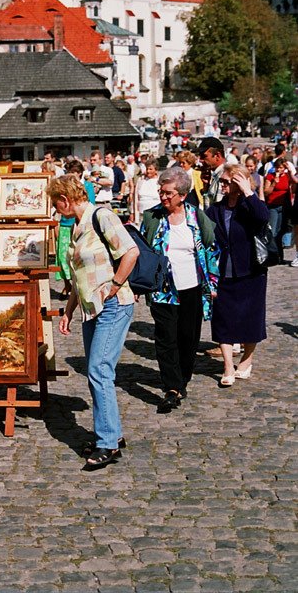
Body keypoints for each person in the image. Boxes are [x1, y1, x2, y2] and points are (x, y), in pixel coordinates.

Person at [48, 174, 139, 468]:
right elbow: (78, 277)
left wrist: (114, 285)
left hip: (112, 305)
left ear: (64, 199)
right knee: (97, 371)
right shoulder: (76, 226)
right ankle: (111, 432)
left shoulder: (102, 216)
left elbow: (131, 252)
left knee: (99, 369)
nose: (54, 208)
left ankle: (108, 443)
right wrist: (69, 310)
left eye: (54, 203)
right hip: (90, 308)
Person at [140, 167, 219, 413]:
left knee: (188, 337)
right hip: (163, 289)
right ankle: (171, 388)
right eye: (161, 192)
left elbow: (211, 249)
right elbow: (143, 250)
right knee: (165, 338)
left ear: (182, 195)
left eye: (168, 193)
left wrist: (213, 284)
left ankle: (183, 378)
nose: (163, 197)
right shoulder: (152, 217)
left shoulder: (197, 217)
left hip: (192, 288)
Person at [206, 165, 270, 386]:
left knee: (250, 317)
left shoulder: (250, 206)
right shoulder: (215, 209)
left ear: (238, 183)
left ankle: (247, 359)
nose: (222, 185)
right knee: (223, 318)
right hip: (222, 272)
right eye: (221, 181)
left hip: (251, 270)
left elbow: (263, 217)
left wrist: (249, 192)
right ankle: (227, 366)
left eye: (226, 181)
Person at [264, 158, 295, 263]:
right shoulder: (270, 176)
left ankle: (279, 256)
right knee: (272, 232)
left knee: (280, 232)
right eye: (278, 167)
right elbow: (266, 192)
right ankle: (271, 255)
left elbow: (294, 182)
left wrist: (289, 171)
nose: (279, 170)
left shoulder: (287, 177)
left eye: (281, 168)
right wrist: (273, 183)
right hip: (273, 206)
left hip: (284, 207)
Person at [197, 137, 226, 209]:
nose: (200, 160)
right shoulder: (216, 175)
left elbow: (218, 212)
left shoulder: (223, 177)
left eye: (204, 156)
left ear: (217, 156)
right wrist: (206, 187)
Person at [133, 159, 160, 225]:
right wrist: (134, 215)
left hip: (156, 215)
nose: (148, 171)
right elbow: (136, 199)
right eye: (147, 169)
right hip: (142, 214)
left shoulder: (160, 181)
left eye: (150, 169)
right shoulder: (141, 180)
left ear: (156, 170)